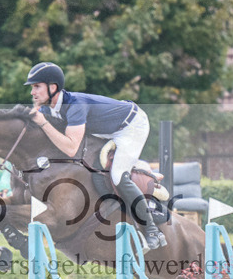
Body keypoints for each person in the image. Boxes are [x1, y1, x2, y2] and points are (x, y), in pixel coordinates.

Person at [24, 62, 166, 249]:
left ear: (52, 87)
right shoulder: (47, 108)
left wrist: (43, 124)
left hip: (131, 127)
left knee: (117, 175)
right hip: (105, 130)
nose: (32, 92)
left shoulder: (75, 105)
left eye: (36, 86)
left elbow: (71, 148)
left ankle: (152, 230)